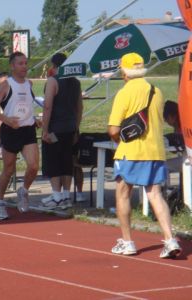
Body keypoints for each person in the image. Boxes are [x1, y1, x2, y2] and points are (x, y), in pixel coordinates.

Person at [107, 52, 181, 258]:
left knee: (123, 193)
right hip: (155, 150)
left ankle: (128, 241)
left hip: (130, 151)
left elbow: (113, 129)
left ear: (124, 70)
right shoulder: (156, 91)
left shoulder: (124, 92)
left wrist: (119, 141)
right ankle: (170, 239)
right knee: (155, 194)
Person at [0, 52, 39, 220]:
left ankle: (23, 191)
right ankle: (0, 202)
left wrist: (35, 119)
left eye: (25, 63)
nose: (24, 66)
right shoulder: (5, 85)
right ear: (12, 66)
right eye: (20, 64)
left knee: (33, 166)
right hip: (10, 130)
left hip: (28, 129)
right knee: (8, 170)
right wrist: (7, 120)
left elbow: (27, 106)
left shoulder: (29, 84)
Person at [40, 52, 83, 209]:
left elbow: (48, 106)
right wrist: (76, 128)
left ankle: (56, 195)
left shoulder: (53, 81)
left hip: (55, 128)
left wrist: (44, 129)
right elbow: (79, 108)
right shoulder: (76, 82)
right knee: (67, 162)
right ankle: (66, 195)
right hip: (70, 128)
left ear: (54, 66)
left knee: (53, 161)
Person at [163, 100, 185, 173]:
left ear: (173, 116)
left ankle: (166, 185)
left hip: (188, 160)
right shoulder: (178, 126)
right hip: (186, 158)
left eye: (166, 118)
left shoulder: (182, 128)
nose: (165, 121)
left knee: (163, 166)